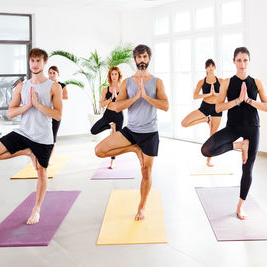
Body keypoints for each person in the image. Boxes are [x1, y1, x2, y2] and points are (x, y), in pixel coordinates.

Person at [0, 48, 63, 224]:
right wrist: (28, 105)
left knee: (42, 174)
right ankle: (27, 151)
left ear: (45, 62)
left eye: (38, 61)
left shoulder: (54, 86)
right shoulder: (23, 86)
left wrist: (37, 104)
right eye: (32, 61)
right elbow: (11, 113)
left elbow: (58, 115)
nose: (34, 64)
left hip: (43, 137)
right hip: (24, 132)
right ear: (29, 63)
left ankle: (36, 209)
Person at [94, 44, 169, 220]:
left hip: (150, 133)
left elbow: (165, 106)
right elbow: (116, 106)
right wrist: (135, 97)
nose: (141, 60)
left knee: (146, 172)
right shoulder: (127, 82)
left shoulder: (157, 82)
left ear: (149, 59)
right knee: (99, 150)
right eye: (139, 57)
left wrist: (147, 97)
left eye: (144, 57)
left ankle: (141, 207)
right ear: (135, 60)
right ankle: (134, 149)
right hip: (131, 131)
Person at [201, 47, 267, 220]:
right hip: (233, 127)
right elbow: (218, 107)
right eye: (239, 60)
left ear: (249, 61)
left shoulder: (257, 82)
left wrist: (248, 100)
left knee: (247, 169)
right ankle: (240, 145)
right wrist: (237, 100)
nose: (242, 63)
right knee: (206, 150)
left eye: (245, 60)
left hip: (252, 127)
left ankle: (240, 206)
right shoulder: (226, 82)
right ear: (233, 61)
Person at [181, 59, 223, 167]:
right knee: (184, 123)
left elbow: (224, 96)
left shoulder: (221, 81)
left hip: (217, 109)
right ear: (205, 68)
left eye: (212, 66)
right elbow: (195, 96)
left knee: (212, 136)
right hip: (205, 107)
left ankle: (208, 161)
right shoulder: (201, 81)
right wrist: (209, 94)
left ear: (215, 67)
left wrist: (215, 93)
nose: (210, 68)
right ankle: (206, 119)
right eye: (208, 66)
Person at [90, 67, 124, 169]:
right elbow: (102, 105)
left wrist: (116, 96)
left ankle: (113, 161)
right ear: (110, 76)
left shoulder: (122, 88)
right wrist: (110, 98)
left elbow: (123, 103)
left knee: (116, 140)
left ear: (119, 76)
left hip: (118, 115)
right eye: (112, 74)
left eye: (116, 74)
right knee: (94, 130)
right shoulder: (105, 89)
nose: (114, 76)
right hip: (108, 114)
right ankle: (111, 127)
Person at [48, 66, 68, 157]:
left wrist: (55, 97)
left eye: (54, 73)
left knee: (53, 136)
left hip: (56, 113)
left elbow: (66, 96)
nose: (52, 75)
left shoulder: (62, 85)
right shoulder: (44, 84)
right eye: (50, 73)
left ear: (58, 74)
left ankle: (49, 157)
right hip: (45, 113)